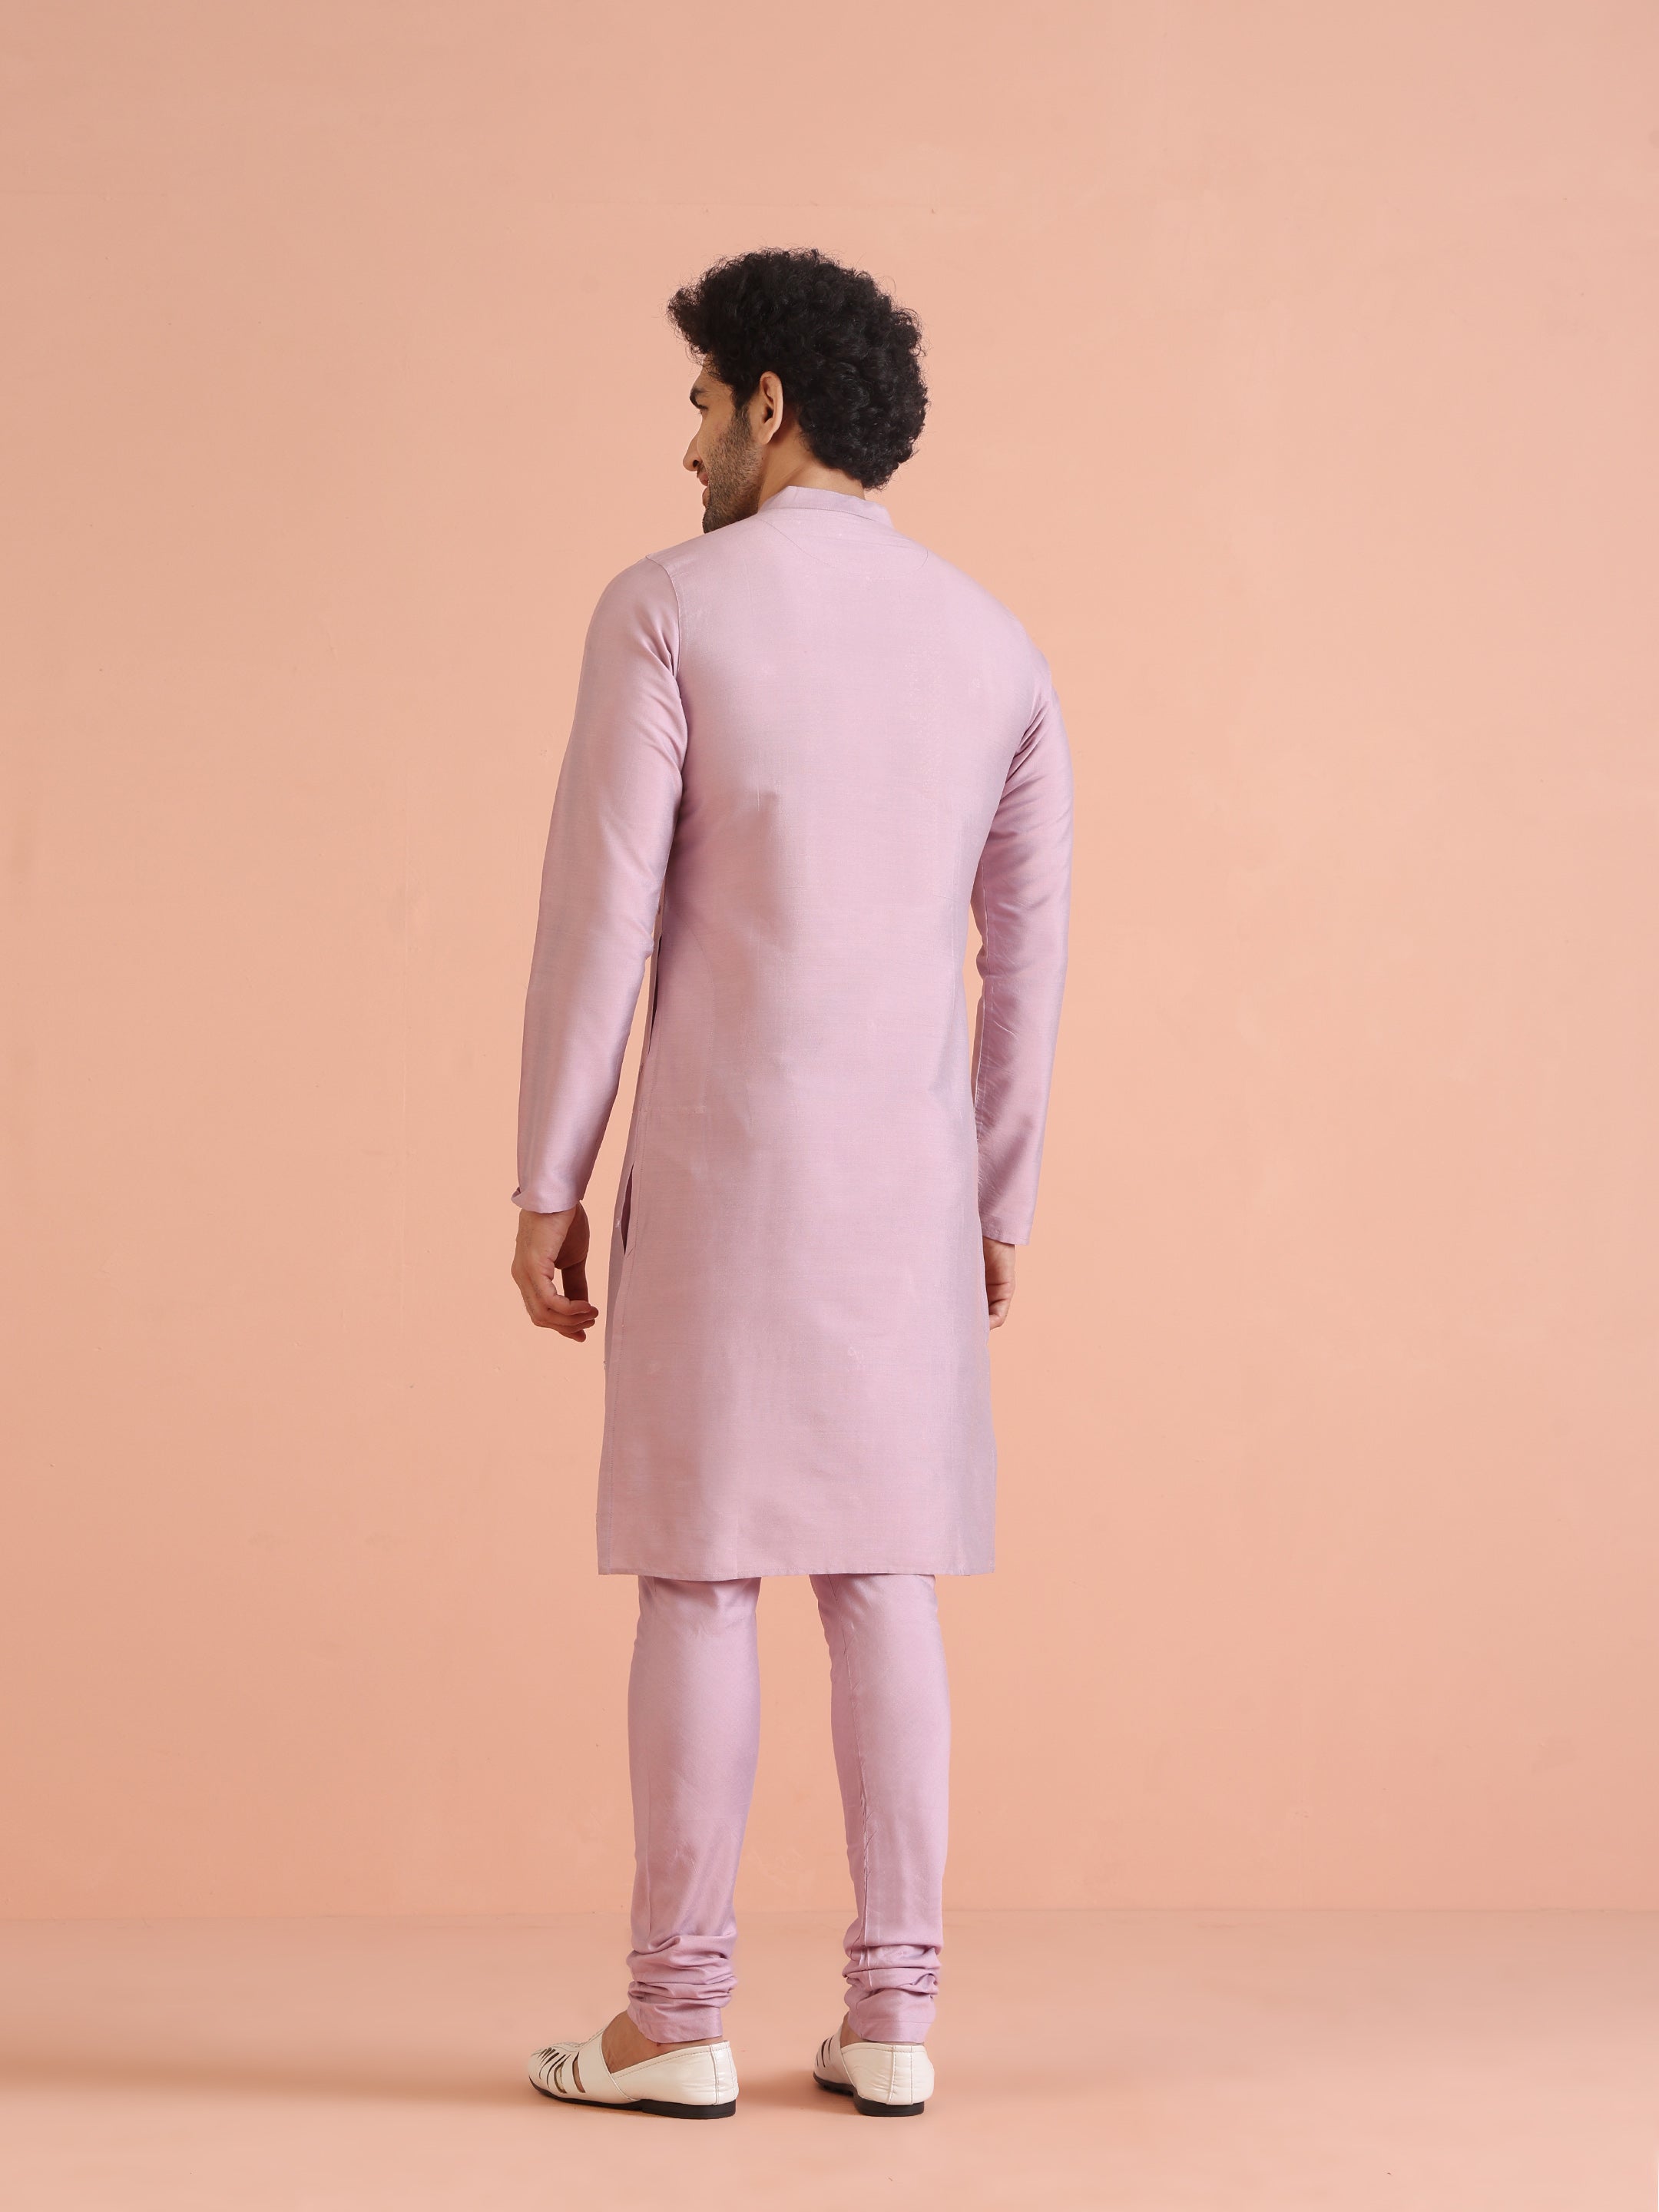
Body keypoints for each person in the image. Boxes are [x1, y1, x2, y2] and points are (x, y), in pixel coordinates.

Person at [510, 247, 1073, 2120]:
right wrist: (997, 1198)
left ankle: (675, 2019)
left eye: (700, 402)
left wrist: (549, 1172)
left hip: (722, 1171)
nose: (687, 443)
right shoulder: (995, 644)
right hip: (908, 1189)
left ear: (771, 403)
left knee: (699, 1576)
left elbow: (599, 917)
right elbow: (1028, 951)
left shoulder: (670, 608)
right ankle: (893, 2017)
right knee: (884, 1575)